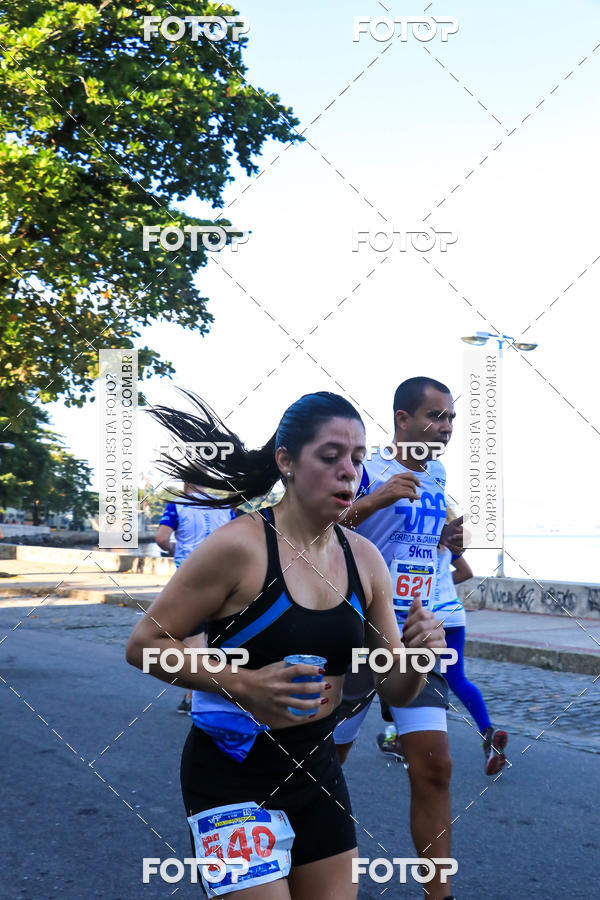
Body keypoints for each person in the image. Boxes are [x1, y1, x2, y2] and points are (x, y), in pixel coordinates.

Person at [126, 390, 446, 899]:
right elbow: (144, 645)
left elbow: (399, 689)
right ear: (286, 462)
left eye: (359, 460)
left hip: (315, 770)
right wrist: (241, 682)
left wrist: (419, 655)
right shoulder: (239, 547)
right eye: (330, 456)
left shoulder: (365, 560)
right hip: (232, 773)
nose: (349, 472)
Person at [334, 376, 462, 900]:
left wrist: (447, 541)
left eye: (451, 418)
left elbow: (418, 547)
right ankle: (313, 875)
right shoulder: (367, 470)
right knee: (324, 765)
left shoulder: (438, 475)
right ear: (402, 420)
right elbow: (324, 528)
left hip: (415, 634)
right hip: (353, 631)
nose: (446, 428)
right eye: (436, 416)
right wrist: (377, 498)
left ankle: (440, 896)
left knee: (434, 767)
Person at [155, 482, 235, 713]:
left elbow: (161, 538)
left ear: (186, 482)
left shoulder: (177, 505)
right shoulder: (225, 506)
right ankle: (216, 694)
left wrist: (174, 549)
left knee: (195, 643)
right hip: (225, 578)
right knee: (218, 640)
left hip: (191, 580)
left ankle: (194, 699)